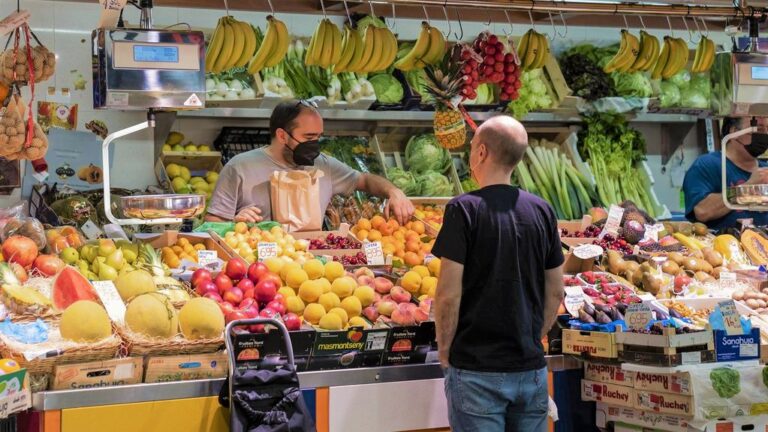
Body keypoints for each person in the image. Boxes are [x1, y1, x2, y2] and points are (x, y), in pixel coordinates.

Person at [431, 116, 564, 432]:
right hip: (530, 369)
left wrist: (445, 350)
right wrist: (533, 336)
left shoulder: (463, 209)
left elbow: (448, 294)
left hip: (476, 371)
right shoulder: (542, 210)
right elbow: (556, 291)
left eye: (472, 148)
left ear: (481, 153)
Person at [206, 100, 414, 225]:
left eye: (318, 136)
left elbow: (365, 180)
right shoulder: (240, 167)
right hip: (257, 267)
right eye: (308, 137)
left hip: (311, 268)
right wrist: (235, 223)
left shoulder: (324, 165)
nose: (315, 144)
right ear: (282, 135)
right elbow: (212, 223)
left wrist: (393, 192)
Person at [684, 116, 768, 230]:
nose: (764, 135)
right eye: (758, 129)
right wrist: (747, 187)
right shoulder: (707, 165)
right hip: (722, 240)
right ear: (734, 131)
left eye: (767, 129)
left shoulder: (765, 168)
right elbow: (702, 211)